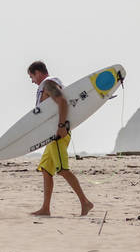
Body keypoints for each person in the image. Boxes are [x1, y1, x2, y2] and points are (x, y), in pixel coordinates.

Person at [27, 61, 94, 217]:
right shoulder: (48, 85)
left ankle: (85, 202)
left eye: (31, 76)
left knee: (63, 170)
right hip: (52, 136)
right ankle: (45, 208)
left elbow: (62, 102)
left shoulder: (48, 84)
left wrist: (61, 126)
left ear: (38, 72)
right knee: (45, 169)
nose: (32, 81)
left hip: (57, 134)